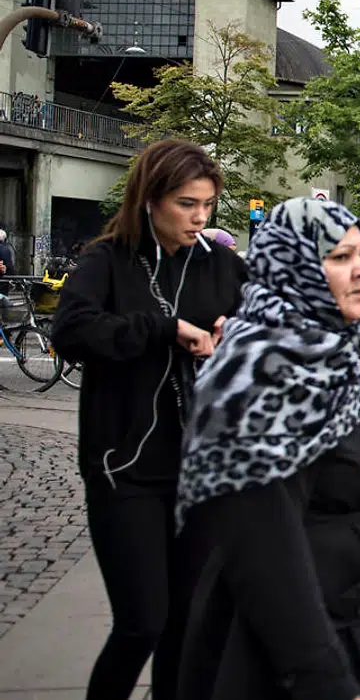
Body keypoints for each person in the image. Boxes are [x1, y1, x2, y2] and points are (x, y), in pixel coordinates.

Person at [174, 198, 360, 699]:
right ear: (293, 265)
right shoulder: (262, 373)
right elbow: (262, 551)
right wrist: (327, 680)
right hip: (320, 644)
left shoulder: (321, 355)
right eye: (340, 257)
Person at [49, 138, 247, 700]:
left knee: (188, 627)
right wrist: (162, 329)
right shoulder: (106, 259)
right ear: (151, 198)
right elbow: (71, 332)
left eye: (207, 204)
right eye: (187, 203)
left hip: (202, 472)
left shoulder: (222, 264)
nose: (200, 217)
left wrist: (238, 336)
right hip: (125, 469)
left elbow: (269, 328)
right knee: (143, 622)